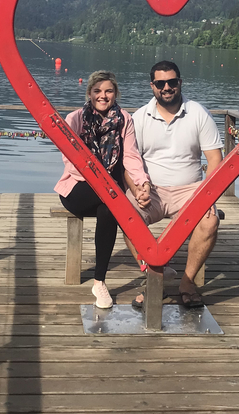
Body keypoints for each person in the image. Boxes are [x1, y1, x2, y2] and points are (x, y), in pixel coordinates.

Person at [128, 60, 224, 308]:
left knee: (210, 220)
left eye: (172, 82)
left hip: (191, 190)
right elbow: (128, 162)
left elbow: (215, 159)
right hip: (152, 191)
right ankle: (153, 277)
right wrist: (137, 189)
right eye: (161, 83)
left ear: (180, 83)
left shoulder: (198, 113)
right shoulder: (139, 118)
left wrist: (206, 195)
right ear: (152, 86)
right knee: (124, 215)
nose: (167, 87)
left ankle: (187, 282)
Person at [54, 70, 152, 309]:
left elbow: (130, 156)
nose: (103, 96)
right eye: (97, 91)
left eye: (108, 91)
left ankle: (99, 282)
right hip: (77, 188)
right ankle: (149, 259)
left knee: (109, 209)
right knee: (113, 201)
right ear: (89, 93)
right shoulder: (75, 119)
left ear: (115, 93)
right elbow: (71, 161)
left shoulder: (124, 120)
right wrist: (101, 182)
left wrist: (142, 183)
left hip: (109, 193)